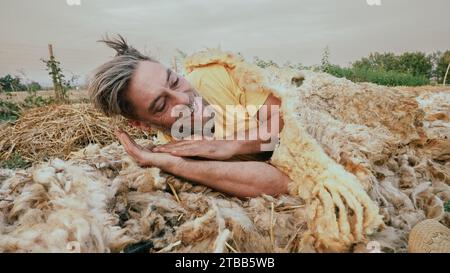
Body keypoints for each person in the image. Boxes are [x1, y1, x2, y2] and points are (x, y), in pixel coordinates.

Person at [88, 35, 290, 198]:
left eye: (174, 81)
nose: (183, 98)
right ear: (142, 124)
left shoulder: (217, 75)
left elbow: (285, 124)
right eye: (161, 105)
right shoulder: (175, 149)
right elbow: (280, 182)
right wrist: (178, 164)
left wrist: (227, 145)